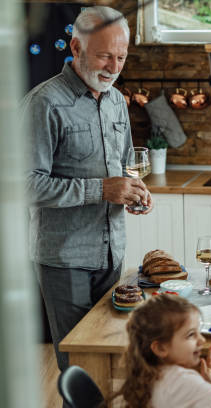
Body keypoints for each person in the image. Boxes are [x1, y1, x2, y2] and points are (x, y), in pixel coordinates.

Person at [22, 6, 153, 370]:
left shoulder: (115, 101)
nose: (114, 67)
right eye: (105, 56)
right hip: (65, 262)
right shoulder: (43, 103)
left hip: (112, 257)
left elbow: (124, 167)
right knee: (81, 371)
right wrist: (102, 190)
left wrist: (134, 192)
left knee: (114, 365)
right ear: (76, 48)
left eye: (122, 57)